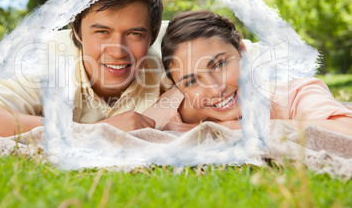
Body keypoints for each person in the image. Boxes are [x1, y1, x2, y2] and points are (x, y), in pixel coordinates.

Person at [0, 0, 164, 137]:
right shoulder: (45, 58)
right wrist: (95, 131)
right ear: (78, 32)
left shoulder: (177, 49)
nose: (118, 51)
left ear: (152, 36)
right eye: (102, 32)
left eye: (135, 34)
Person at [143, 10, 352, 135]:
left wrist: (236, 128)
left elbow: (345, 129)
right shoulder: (175, 110)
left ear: (243, 50)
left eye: (219, 65)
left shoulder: (294, 92)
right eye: (191, 82)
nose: (216, 89)